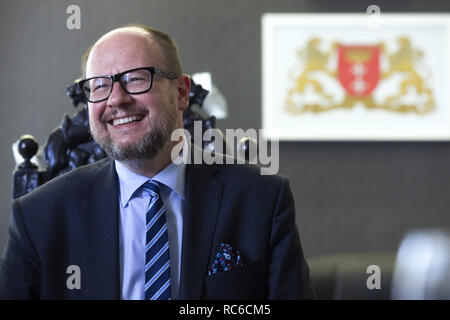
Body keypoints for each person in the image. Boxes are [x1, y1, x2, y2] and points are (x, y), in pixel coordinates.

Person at [0, 24, 314, 300]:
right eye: (99, 86)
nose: (116, 99)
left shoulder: (261, 199)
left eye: (136, 79)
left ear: (181, 92)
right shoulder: (37, 217)